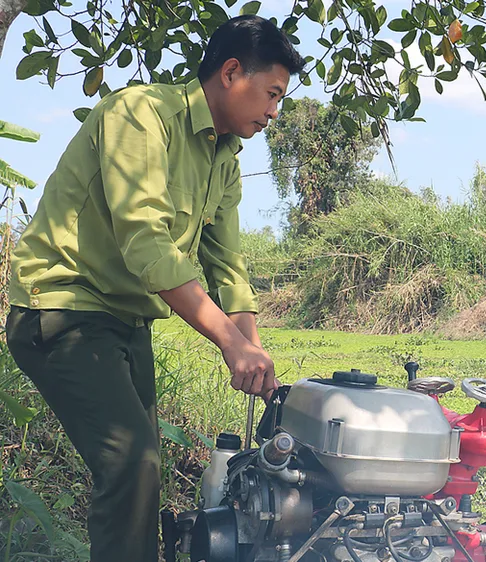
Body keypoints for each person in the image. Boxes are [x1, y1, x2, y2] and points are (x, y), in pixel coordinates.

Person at [4, 15, 305, 562]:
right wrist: (227, 342)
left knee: (143, 473)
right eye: (272, 94)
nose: (273, 112)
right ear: (231, 73)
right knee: (132, 460)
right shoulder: (139, 115)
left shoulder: (225, 160)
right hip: (62, 307)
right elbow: (145, 241)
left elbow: (226, 265)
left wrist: (252, 349)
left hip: (125, 320)